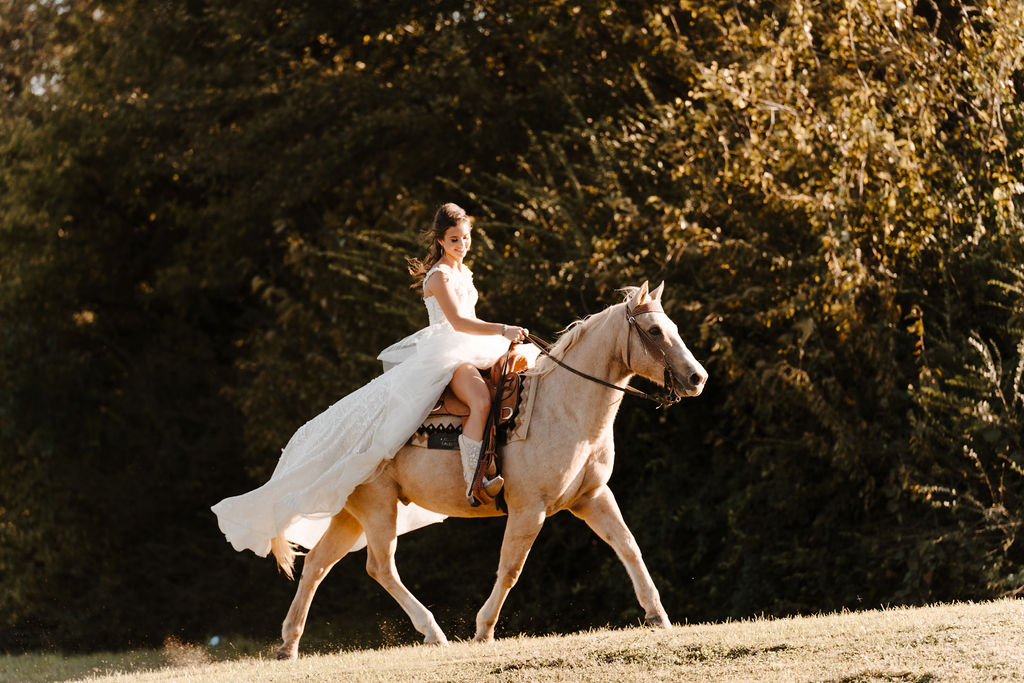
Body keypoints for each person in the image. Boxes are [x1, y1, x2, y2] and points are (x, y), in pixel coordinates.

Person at [212, 203, 527, 558]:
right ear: (440, 240)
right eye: (455, 239)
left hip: (471, 345)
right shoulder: (438, 276)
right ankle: (475, 479)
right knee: (481, 401)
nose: (462, 245)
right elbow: (456, 322)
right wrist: (502, 329)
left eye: (466, 238)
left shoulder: (463, 272)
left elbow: (470, 318)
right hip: (449, 352)